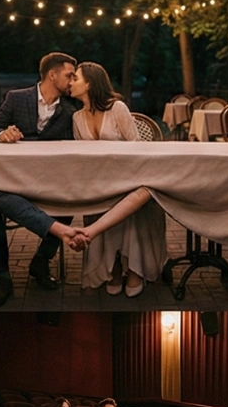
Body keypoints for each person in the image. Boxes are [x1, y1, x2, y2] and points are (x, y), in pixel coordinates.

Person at [0, 52, 92, 309]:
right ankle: (2, 278)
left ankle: (41, 261)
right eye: (69, 75)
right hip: (12, 181)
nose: (72, 81)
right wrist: (2, 135)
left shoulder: (71, 110)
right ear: (52, 74)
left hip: (48, 183)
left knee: (70, 198)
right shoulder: (16, 98)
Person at [65, 62, 164, 297]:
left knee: (129, 202)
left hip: (129, 178)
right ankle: (114, 268)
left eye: (75, 78)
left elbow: (136, 147)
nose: (70, 82)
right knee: (97, 201)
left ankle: (134, 268)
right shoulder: (77, 117)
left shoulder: (117, 108)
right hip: (99, 182)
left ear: (89, 84)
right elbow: (82, 158)